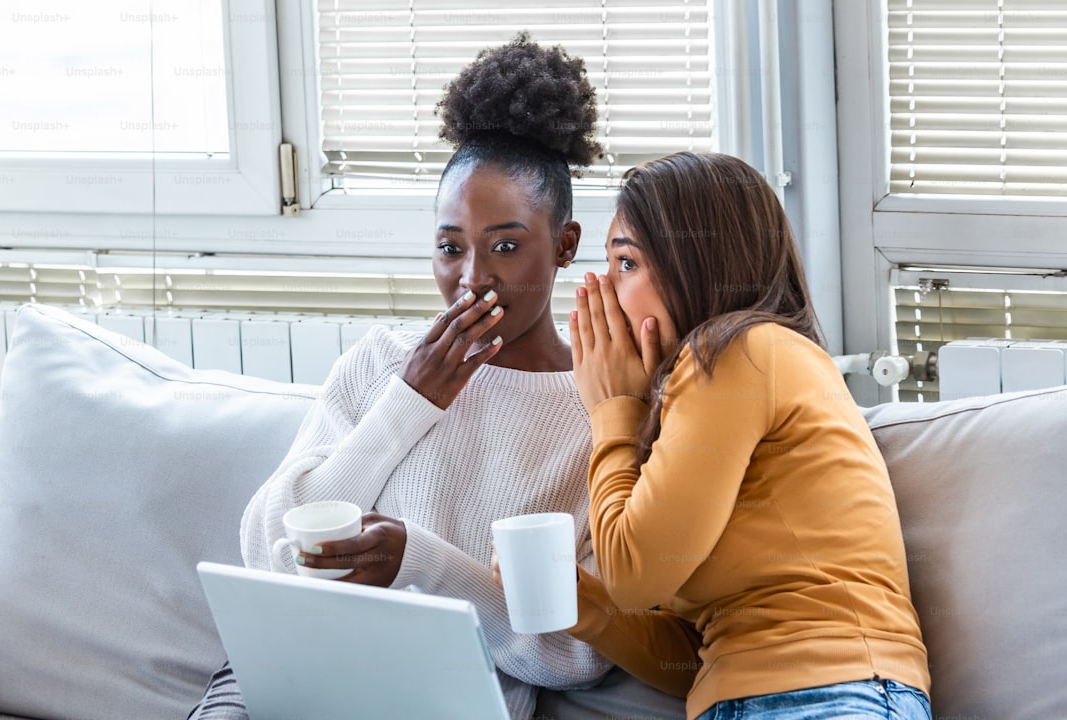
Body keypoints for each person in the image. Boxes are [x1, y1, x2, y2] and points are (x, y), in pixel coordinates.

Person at [188, 34, 683, 720]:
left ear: (565, 245)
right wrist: (410, 402)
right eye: (451, 248)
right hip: (286, 681)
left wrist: (419, 563)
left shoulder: (594, 409)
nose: (472, 279)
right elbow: (264, 544)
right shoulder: (383, 364)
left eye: (505, 247)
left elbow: (575, 655)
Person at [560, 151, 933, 719]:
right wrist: (577, 602)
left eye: (626, 263)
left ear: (695, 262)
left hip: (837, 694)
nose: (603, 292)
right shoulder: (706, 390)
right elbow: (701, 654)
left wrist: (612, 409)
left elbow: (633, 575)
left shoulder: (738, 351)